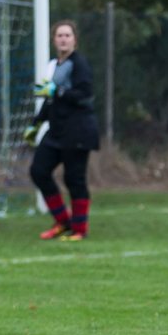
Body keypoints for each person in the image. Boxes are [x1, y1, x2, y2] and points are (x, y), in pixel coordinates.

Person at [24, 19, 100, 241]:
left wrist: (58, 90)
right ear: (54, 39)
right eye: (59, 35)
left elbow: (84, 95)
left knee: (74, 179)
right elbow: (50, 101)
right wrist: (35, 123)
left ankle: (79, 230)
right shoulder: (53, 66)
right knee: (39, 171)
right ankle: (62, 222)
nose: (63, 39)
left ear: (75, 40)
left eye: (67, 35)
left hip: (78, 130)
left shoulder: (80, 64)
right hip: (56, 131)